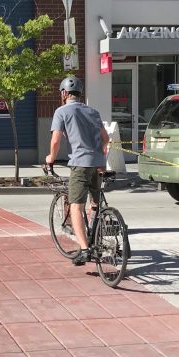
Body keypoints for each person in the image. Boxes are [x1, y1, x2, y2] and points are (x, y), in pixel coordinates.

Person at [45, 75, 110, 266]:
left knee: (76, 205)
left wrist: (51, 158)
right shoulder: (93, 111)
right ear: (80, 94)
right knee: (95, 203)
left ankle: (84, 249)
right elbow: (105, 139)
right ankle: (97, 233)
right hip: (98, 163)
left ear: (64, 93)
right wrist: (100, 156)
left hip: (80, 164)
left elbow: (56, 140)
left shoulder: (62, 111)